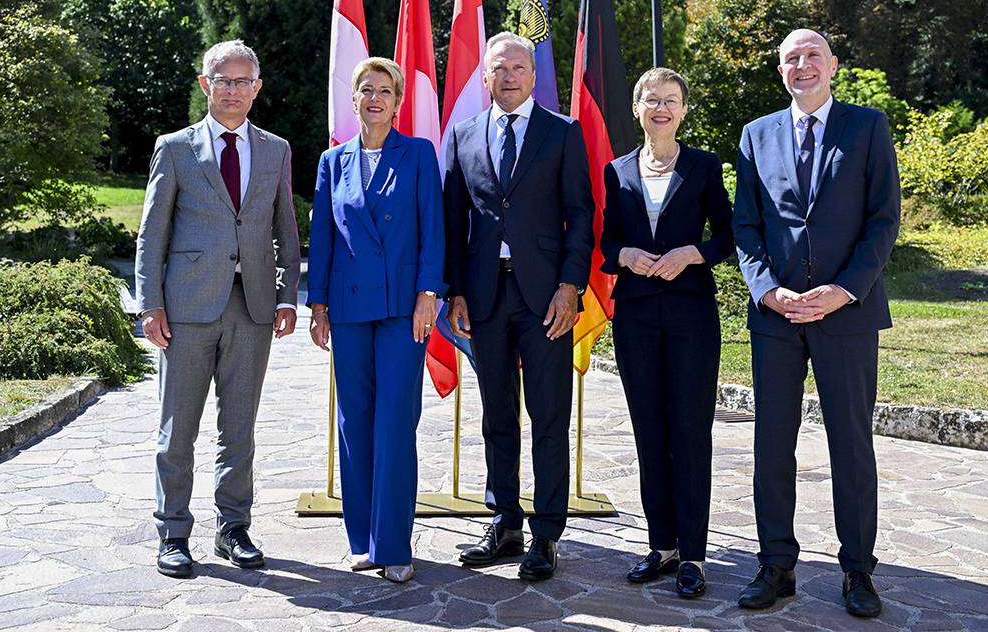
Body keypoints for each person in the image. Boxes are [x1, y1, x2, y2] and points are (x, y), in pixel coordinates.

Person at [732, 29, 900, 617]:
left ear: (832, 64)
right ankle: (776, 566)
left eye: (812, 56)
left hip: (847, 317)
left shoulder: (867, 127)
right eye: (790, 59)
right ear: (780, 70)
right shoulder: (757, 135)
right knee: (772, 443)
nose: (802, 66)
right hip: (776, 318)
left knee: (850, 446)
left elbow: (883, 222)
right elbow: (747, 227)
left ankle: (858, 571)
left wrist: (844, 291)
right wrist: (765, 291)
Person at [136, 39, 301, 578]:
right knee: (177, 426)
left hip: (251, 306)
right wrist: (149, 304)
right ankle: (173, 532)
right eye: (221, 80)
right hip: (185, 309)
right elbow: (151, 235)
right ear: (205, 86)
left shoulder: (275, 149)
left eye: (242, 81)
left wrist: (286, 294)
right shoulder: (176, 148)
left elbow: (285, 230)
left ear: (257, 89)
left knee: (240, 427)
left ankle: (233, 527)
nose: (232, 90)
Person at [443, 32, 594, 581]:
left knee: (549, 414)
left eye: (518, 68)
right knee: (496, 416)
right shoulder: (462, 135)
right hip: (484, 295)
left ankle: (547, 532)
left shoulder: (562, 133)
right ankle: (506, 521)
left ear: (534, 76)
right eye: (498, 69)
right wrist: (455, 289)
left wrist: (571, 285)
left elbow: (581, 214)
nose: (508, 76)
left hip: (546, 297)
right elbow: (453, 218)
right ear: (484, 77)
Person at [306, 57, 445, 585]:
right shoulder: (331, 161)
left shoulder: (418, 154)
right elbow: (322, 239)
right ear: (356, 98)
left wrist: (429, 292)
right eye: (366, 89)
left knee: (393, 422)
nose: (374, 98)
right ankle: (363, 540)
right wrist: (316, 302)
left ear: (398, 100)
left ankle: (394, 543)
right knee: (353, 422)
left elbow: (434, 228)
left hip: (403, 309)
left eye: (384, 90)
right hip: (346, 308)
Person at [599, 68, 734, 598]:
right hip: (634, 315)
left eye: (671, 101)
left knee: (689, 431)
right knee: (649, 430)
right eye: (651, 100)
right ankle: (662, 545)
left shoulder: (704, 167)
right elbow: (606, 243)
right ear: (637, 109)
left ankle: (694, 555)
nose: (661, 108)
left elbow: (728, 233)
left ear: (683, 111)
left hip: (690, 315)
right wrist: (625, 256)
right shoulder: (616, 171)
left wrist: (692, 253)